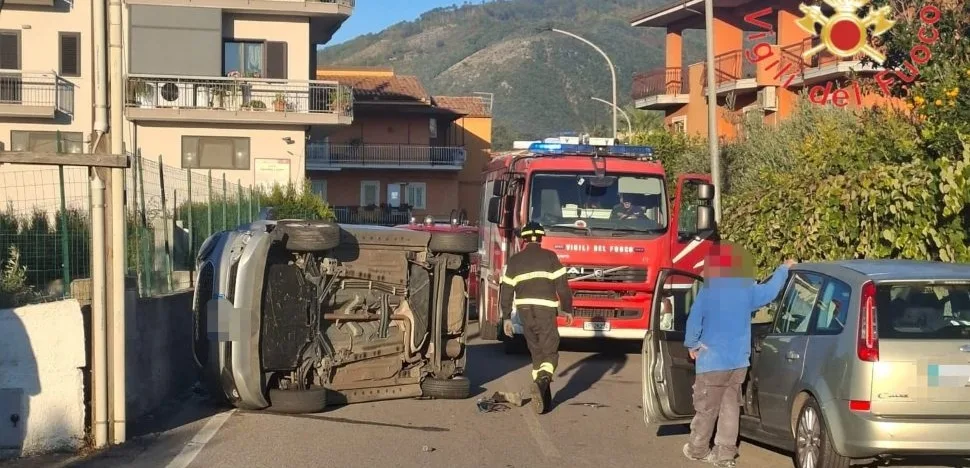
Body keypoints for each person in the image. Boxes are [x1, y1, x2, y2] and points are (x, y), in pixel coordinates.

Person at [682, 245, 796, 467]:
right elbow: (771, 291)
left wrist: (692, 344)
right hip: (738, 361)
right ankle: (725, 454)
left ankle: (697, 449)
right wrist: (784, 269)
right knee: (730, 408)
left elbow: (694, 320)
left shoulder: (709, 290)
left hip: (712, 359)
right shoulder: (747, 289)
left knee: (706, 408)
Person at [499, 221, 574, 414]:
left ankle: (544, 399)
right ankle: (541, 381)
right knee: (550, 351)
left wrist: (506, 317)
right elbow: (563, 287)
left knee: (536, 352)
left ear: (524, 239)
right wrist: (567, 309)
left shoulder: (515, 260)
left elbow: (506, 290)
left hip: (524, 311)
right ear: (541, 238)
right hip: (545, 311)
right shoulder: (550, 257)